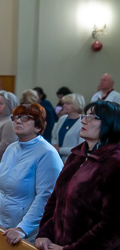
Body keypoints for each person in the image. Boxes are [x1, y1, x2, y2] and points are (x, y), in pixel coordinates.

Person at [36, 101, 120, 250]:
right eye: (84, 116)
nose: (83, 121)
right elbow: (55, 199)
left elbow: (112, 225)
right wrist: (44, 233)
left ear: (110, 122)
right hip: (57, 243)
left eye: (91, 117)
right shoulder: (77, 155)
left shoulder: (114, 162)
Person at [0, 104, 63, 244]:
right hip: (1, 225)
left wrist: (22, 228)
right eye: (16, 117)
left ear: (38, 126)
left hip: (26, 232)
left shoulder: (47, 153)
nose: (18, 121)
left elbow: (45, 197)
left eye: (25, 118)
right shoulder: (12, 148)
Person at [51, 94, 85, 162]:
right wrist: (54, 145)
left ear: (76, 104)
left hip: (72, 160)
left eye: (68, 103)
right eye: (64, 103)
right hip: (57, 158)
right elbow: (54, 136)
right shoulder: (62, 119)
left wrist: (60, 150)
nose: (64, 105)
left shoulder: (83, 122)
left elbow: (81, 147)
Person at [0, 90, 19, 166]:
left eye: (1, 103)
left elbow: (5, 146)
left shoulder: (10, 122)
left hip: (1, 163)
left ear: (9, 106)